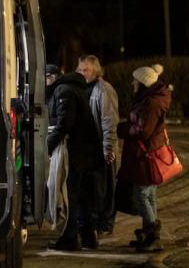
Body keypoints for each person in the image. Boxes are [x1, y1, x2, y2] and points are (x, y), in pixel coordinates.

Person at [46, 64, 104, 250]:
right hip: (87, 152)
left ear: (51, 77)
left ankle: (70, 238)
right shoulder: (75, 88)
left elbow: (65, 123)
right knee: (83, 197)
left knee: (69, 195)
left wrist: (48, 145)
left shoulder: (64, 91)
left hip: (76, 151)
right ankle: (88, 237)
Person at [117, 63, 171, 252]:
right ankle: (149, 234)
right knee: (149, 194)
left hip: (146, 154)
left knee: (141, 195)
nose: (132, 83)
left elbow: (144, 131)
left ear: (143, 83)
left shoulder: (152, 103)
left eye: (135, 80)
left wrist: (120, 129)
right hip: (145, 152)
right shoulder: (150, 99)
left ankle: (153, 233)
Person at [76, 55, 120, 236]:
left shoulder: (103, 90)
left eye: (85, 70)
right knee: (91, 189)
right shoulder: (81, 88)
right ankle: (92, 222)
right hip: (87, 150)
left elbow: (110, 120)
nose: (81, 73)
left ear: (95, 71)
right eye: (79, 70)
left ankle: (105, 223)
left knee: (105, 188)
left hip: (101, 149)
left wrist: (108, 148)